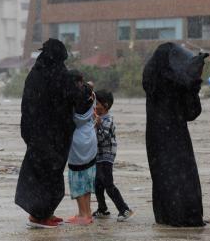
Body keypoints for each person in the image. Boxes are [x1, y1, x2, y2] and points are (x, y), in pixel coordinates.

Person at [15, 38, 81, 229]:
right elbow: (75, 98)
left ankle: (43, 213)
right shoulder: (59, 75)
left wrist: (28, 134)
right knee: (50, 176)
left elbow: (26, 107)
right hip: (53, 137)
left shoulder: (34, 75)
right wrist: (85, 91)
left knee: (38, 175)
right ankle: (40, 216)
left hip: (37, 135)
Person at [142, 43, 209, 227]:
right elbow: (192, 113)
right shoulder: (179, 83)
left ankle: (166, 215)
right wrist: (194, 84)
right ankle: (185, 214)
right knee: (182, 175)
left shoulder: (151, 79)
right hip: (176, 135)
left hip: (155, 136)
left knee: (163, 176)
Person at [92, 90, 134, 222]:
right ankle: (102, 209)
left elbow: (104, 138)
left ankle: (124, 209)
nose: (94, 106)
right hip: (98, 156)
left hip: (107, 156)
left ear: (105, 105)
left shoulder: (108, 120)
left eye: (97, 104)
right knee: (97, 184)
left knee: (108, 185)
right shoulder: (97, 119)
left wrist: (98, 126)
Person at [66, 83, 97, 226]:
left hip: (76, 142)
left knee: (77, 179)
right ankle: (87, 213)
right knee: (87, 177)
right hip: (90, 139)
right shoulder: (91, 101)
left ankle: (83, 215)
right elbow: (90, 87)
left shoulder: (71, 109)